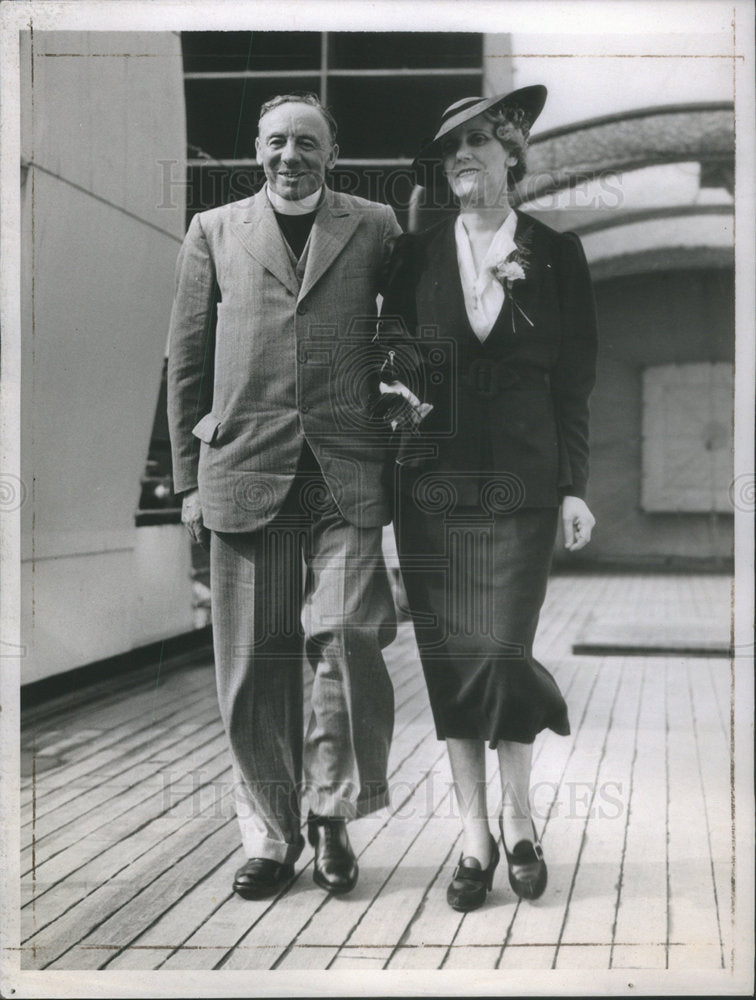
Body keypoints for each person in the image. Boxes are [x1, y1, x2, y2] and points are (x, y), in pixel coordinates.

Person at [167, 92, 401, 901]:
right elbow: (186, 361)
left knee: (345, 634)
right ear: (257, 150)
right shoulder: (214, 232)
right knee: (253, 664)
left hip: (347, 469)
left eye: (307, 141)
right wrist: (188, 480)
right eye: (275, 141)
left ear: (332, 152)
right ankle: (271, 835)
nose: (290, 155)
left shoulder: (374, 225)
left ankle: (331, 812)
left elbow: (402, 341)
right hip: (243, 470)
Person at [377, 86, 598, 911]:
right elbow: (389, 362)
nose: (461, 157)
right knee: (450, 662)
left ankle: (523, 819)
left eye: (477, 140)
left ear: (512, 150)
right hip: (431, 491)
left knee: (501, 650)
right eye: (450, 149)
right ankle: (477, 837)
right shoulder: (414, 254)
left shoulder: (557, 254)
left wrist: (576, 486)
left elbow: (575, 383)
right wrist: (398, 398)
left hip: (523, 491)